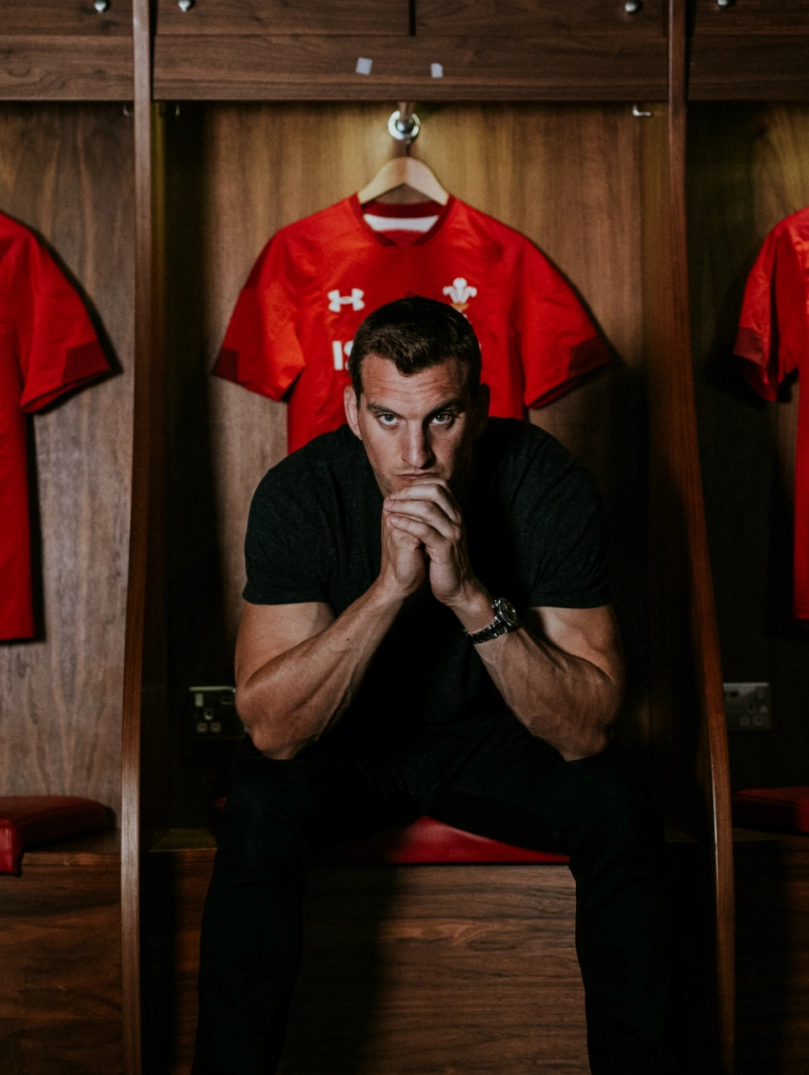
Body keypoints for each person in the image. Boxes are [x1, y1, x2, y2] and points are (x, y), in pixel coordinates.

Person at [192, 296, 680, 1075]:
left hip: (494, 741)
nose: (415, 454)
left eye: (440, 419)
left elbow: (585, 727)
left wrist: (465, 596)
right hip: (350, 745)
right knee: (257, 800)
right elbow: (273, 727)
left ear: (478, 409)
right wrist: (387, 590)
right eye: (388, 419)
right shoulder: (300, 490)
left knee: (616, 800)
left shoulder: (544, 482)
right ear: (352, 410)